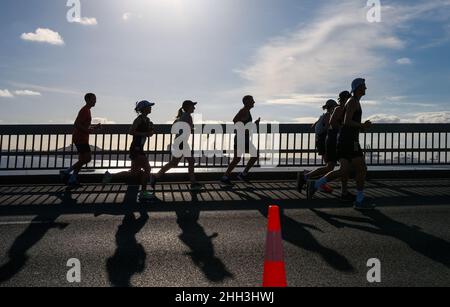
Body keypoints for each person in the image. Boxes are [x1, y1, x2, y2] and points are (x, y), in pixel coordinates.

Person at [307, 79, 375, 210]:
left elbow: (347, 123)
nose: (366, 88)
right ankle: (360, 200)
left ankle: (315, 184)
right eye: (364, 86)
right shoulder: (353, 101)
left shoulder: (354, 102)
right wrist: (362, 125)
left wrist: (362, 127)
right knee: (362, 169)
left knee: (343, 170)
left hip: (345, 140)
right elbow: (346, 121)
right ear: (358, 87)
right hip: (350, 141)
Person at [102, 100, 155, 202]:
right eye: (149, 106)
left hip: (139, 148)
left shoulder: (147, 120)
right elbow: (131, 131)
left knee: (134, 173)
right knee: (148, 169)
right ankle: (143, 193)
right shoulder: (138, 120)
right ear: (143, 109)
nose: (151, 108)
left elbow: (149, 133)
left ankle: (110, 176)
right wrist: (145, 133)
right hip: (136, 148)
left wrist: (151, 131)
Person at [151, 100, 203, 191]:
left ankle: (155, 177)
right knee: (189, 161)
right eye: (192, 106)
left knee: (174, 163)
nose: (194, 108)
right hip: (181, 142)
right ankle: (193, 183)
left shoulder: (183, 116)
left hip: (180, 142)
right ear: (187, 107)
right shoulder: (187, 116)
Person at [297, 99, 338, 194]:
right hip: (325, 141)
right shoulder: (328, 115)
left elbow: (315, 126)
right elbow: (329, 127)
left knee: (328, 166)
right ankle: (307, 177)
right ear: (332, 107)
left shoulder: (322, 116)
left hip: (320, 141)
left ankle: (313, 179)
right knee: (329, 166)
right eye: (335, 107)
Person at [60, 93, 101, 189]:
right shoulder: (84, 110)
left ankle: (72, 179)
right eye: (93, 99)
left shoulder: (87, 110)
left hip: (81, 138)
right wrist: (88, 130)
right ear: (87, 100)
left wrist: (95, 127)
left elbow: (84, 125)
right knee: (87, 159)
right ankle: (66, 172)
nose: (95, 101)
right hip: (80, 138)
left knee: (82, 160)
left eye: (95, 99)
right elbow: (77, 124)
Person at [220, 95, 260, 186]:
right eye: (252, 100)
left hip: (242, 138)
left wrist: (254, 124)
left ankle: (226, 177)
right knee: (253, 155)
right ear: (246, 102)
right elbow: (235, 120)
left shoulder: (246, 111)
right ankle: (242, 174)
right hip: (241, 138)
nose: (254, 102)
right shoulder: (244, 111)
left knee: (237, 159)